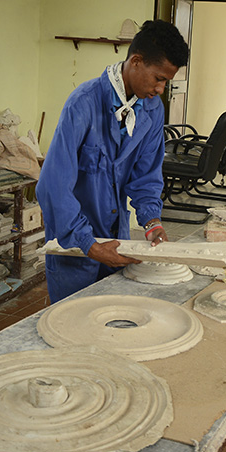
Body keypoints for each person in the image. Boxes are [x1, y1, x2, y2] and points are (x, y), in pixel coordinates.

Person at [37, 20, 189, 303]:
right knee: (70, 325)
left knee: (111, 321)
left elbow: (146, 175)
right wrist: (89, 244)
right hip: (73, 243)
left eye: (167, 81)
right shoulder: (83, 103)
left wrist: (152, 221)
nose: (161, 89)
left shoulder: (152, 110)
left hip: (116, 239)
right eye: (158, 78)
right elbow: (53, 186)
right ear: (136, 61)